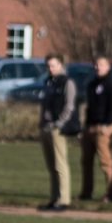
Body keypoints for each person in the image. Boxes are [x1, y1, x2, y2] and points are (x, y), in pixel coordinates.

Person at [38, 53, 77, 212]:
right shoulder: (48, 82)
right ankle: (54, 198)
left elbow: (69, 106)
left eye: (53, 65)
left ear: (61, 65)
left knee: (60, 164)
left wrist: (59, 123)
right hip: (45, 127)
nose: (50, 69)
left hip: (57, 128)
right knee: (51, 165)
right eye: (48, 66)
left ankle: (64, 198)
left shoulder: (67, 82)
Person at [81, 56, 112, 202]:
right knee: (86, 161)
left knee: (105, 161)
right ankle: (86, 192)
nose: (98, 67)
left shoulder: (111, 85)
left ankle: (110, 193)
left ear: (108, 67)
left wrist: (107, 124)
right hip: (90, 127)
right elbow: (89, 107)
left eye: (102, 65)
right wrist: (86, 125)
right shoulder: (91, 84)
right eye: (96, 64)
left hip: (104, 128)